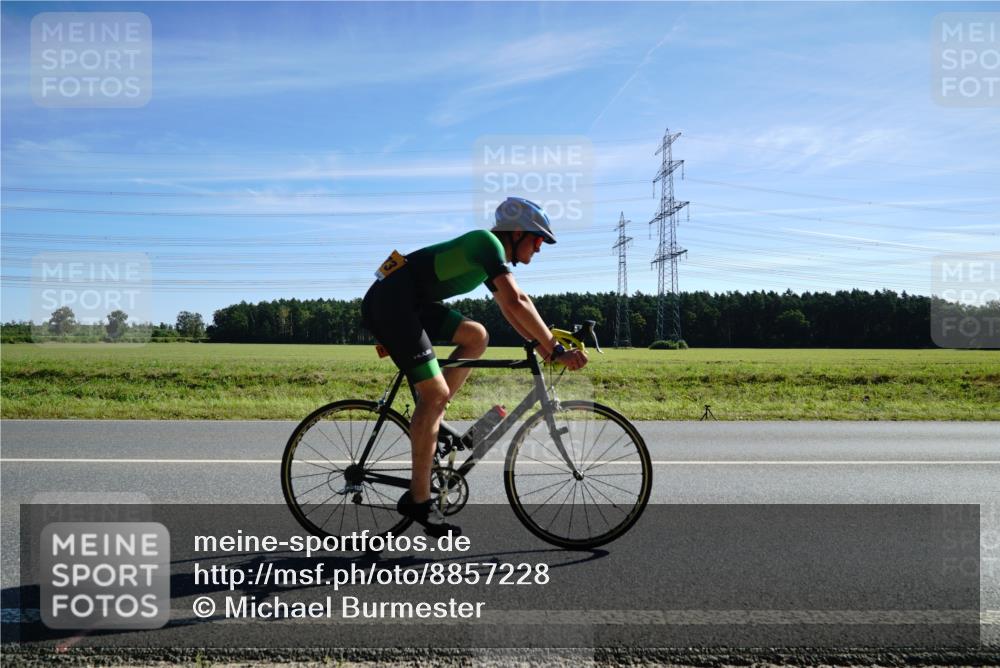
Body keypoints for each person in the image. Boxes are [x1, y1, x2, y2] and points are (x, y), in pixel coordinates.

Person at [361, 196, 588, 537]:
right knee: (434, 394)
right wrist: (553, 349)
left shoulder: (489, 255)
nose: (540, 249)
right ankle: (419, 501)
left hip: (411, 303)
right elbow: (518, 300)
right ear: (517, 233)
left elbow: (510, 310)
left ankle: (431, 418)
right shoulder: (487, 243)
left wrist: (543, 347)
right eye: (538, 239)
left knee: (477, 336)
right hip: (391, 305)